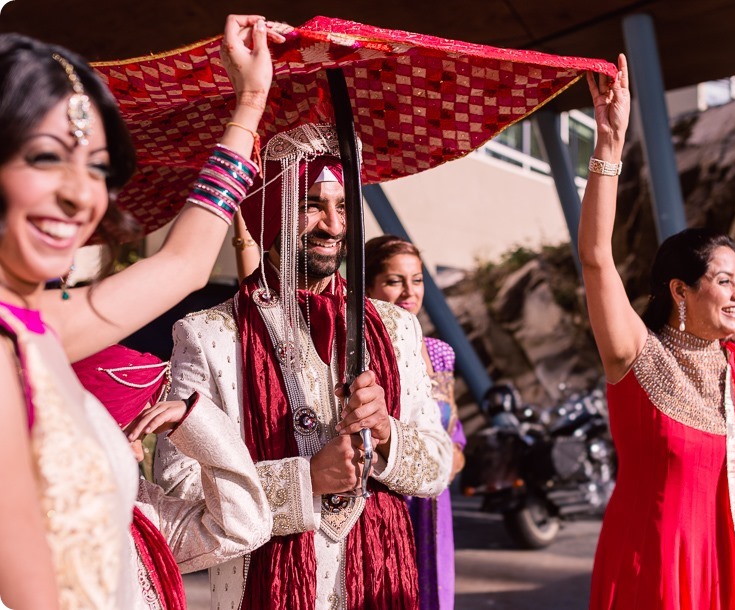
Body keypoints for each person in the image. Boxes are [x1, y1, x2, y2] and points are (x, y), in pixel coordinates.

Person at [0, 15, 280, 608]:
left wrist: (250, 103)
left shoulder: (37, 326)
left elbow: (183, 265)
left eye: (98, 166)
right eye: (48, 158)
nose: (80, 194)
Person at [154, 123, 453, 610]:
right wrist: (307, 478)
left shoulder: (396, 326)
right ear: (270, 211)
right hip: (263, 586)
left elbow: (438, 467)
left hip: (384, 582)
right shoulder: (209, 334)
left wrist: (384, 435)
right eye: (311, 205)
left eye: (342, 208)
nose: (333, 226)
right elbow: (180, 494)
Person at [579, 55, 735, 609]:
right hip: (649, 576)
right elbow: (596, 258)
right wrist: (609, 144)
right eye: (725, 281)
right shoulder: (635, 354)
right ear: (680, 290)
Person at [73, 344, 276, 609]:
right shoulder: (24, 519)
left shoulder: (142, 513)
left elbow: (243, 527)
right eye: (126, 435)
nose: (138, 455)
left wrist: (193, 421)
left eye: (141, 438)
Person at [365, 235, 466, 610]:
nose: (409, 292)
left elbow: (452, 426)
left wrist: (455, 452)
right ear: (369, 286)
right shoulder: (359, 351)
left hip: (435, 505)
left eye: (417, 279)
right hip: (389, 502)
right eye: (395, 281)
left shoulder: (440, 353)